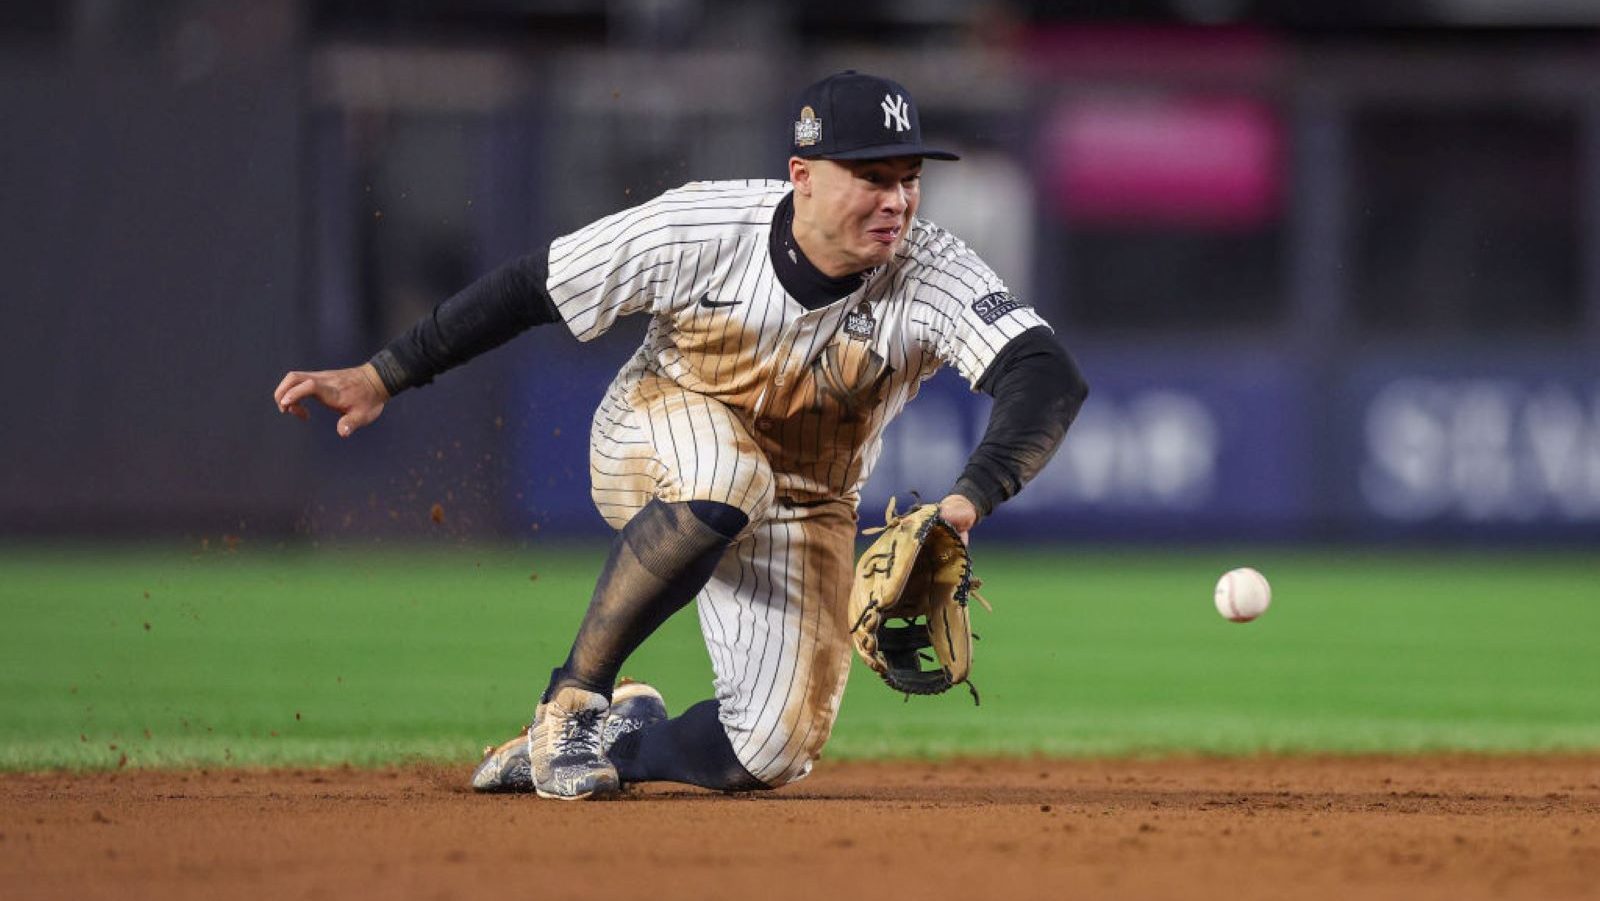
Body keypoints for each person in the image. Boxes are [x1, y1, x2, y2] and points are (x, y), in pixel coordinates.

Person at [273, 71, 1088, 800]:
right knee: (727, 481)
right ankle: (573, 703)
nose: (898, 200)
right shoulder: (703, 226)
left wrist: (968, 499)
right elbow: (534, 287)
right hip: (653, 430)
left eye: (909, 178)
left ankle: (625, 741)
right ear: (802, 177)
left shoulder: (932, 270)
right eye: (872, 176)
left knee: (772, 749)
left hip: (807, 503)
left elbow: (1045, 374)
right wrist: (385, 373)